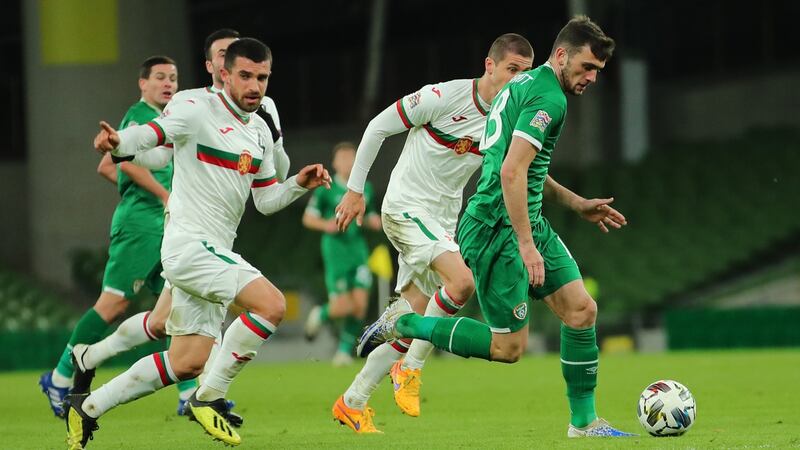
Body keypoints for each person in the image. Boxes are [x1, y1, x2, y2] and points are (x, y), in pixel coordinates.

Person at [357, 16, 636, 438]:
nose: (592, 77)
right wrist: (526, 245)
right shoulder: (549, 100)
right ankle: (405, 324)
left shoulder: (520, 88)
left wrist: (576, 203)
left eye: (598, 70)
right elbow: (510, 173)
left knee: (582, 310)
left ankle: (584, 423)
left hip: (524, 217)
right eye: (586, 67)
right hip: (496, 228)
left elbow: (521, 167)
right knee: (509, 349)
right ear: (561, 55)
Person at [66, 38, 330, 448]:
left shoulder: (259, 130)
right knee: (272, 305)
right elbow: (154, 135)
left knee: (187, 362)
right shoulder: (193, 107)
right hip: (188, 246)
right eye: (245, 75)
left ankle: (89, 407)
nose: (254, 86)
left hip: (212, 253)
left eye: (261, 77)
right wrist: (119, 144)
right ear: (223, 73)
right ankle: (210, 397)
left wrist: (298, 184)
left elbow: (265, 200)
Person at [331, 33, 534, 432]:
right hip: (406, 207)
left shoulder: (510, 118)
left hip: (441, 221)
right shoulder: (443, 97)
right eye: (512, 70)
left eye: (525, 74)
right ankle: (411, 369)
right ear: (489, 66)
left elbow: (523, 172)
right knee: (461, 283)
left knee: (417, 318)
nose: (517, 81)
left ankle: (352, 400)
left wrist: (576, 202)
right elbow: (376, 127)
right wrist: (355, 190)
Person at [38, 55, 185, 418]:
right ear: (143, 83)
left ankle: (189, 393)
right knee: (113, 304)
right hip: (142, 224)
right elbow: (126, 162)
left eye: (174, 78)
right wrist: (160, 194)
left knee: (175, 304)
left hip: (161, 223)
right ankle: (59, 377)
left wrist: (135, 186)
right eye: (161, 78)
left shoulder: (167, 119)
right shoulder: (140, 115)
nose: (169, 84)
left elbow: (108, 165)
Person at [302, 141, 381, 366]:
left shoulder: (365, 188)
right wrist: (325, 224)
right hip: (335, 250)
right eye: (343, 158)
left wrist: (373, 220)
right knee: (342, 306)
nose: (348, 163)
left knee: (360, 304)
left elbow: (367, 214)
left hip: (357, 249)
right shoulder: (327, 190)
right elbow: (308, 218)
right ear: (335, 163)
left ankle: (344, 352)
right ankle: (321, 313)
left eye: (351, 158)